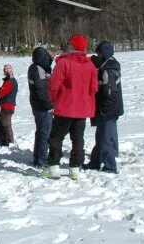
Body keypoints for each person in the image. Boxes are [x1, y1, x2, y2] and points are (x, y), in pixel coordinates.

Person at [45, 34, 98, 180]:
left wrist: (54, 100)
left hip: (65, 106)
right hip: (82, 109)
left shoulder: (64, 63)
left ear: (72, 46)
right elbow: (94, 88)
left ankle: (53, 167)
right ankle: (75, 168)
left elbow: (54, 85)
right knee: (78, 138)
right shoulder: (90, 65)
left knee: (56, 137)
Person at [84, 41, 124, 173]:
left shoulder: (108, 70)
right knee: (101, 136)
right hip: (109, 109)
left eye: (99, 53)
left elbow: (110, 94)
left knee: (105, 139)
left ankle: (110, 165)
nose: (97, 55)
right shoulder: (108, 65)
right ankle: (95, 161)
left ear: (104, 54)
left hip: (108, 110)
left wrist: (103, 111)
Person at [27, 46, 53, 167]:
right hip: (43, 106)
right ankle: (41, 160)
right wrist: (49, 105)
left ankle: (38, 157)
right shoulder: (37, 70)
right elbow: (41, 89)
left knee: (41, 132)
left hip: (37, 104)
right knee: (45, 133)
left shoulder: (34, 68)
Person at [0, 64, 18, 146]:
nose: (6, 71)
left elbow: (0, 93)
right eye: (5, 69)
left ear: (11, 70)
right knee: (0, 125)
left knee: (5, 125)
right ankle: (3, 142)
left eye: (8, 69)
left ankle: (9, 143)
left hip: (7, 106)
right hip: (6, 105)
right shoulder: (8, 80)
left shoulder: (10, 81)